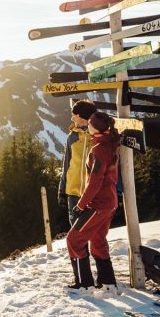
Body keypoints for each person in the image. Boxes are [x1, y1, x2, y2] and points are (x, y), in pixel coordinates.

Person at [65, 110, 120, 291]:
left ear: (95, 128)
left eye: (90, 123)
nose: (87, 125)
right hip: (109, 203)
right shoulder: (109, 144)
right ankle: (108, 284)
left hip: (98, 204)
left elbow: (95, 183)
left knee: (74, 240)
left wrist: (81, 205)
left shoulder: (98, 150)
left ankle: (84, 285)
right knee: (97, 240)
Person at [58, 99, 95, 287]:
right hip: (73, 193)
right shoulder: (72, 136)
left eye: (75, 113)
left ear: (83, 116)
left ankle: (95, 280)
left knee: (94, 238)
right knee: (75, 238)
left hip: (92, 195)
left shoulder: (97, 135)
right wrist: (62, 190)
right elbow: (66, 165)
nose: (72, 116)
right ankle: (81, 279)